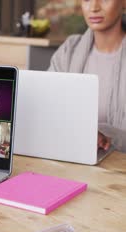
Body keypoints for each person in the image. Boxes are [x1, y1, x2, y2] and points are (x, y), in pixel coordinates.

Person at [48, 0, 126, 152]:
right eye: (87, 0)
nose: (94, 7)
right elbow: (48, 108)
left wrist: (107, 136)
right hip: (71, 159)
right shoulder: (68, 51)